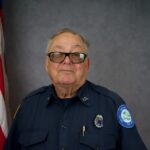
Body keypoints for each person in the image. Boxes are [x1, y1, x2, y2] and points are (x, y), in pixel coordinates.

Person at [4, 28, 147, 150]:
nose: (67, 61)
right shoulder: (29, 107)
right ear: (47, 64)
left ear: (87, 64)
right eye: (57, 54)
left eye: (76, 55)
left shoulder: (111, 104)